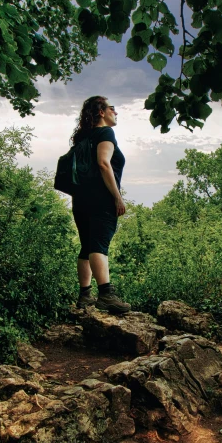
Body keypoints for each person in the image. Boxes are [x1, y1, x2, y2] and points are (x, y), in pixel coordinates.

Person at [70, 96, 131, 314]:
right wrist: (117, 196)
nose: (116, 112)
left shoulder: (82, 137)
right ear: (101, 112)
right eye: (112, 108)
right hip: (100, 198)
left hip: (80, 199)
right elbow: (104, 164)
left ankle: (85, 295)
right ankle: (106, 295)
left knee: (87, 245)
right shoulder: (105, 133)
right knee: (99, 244)